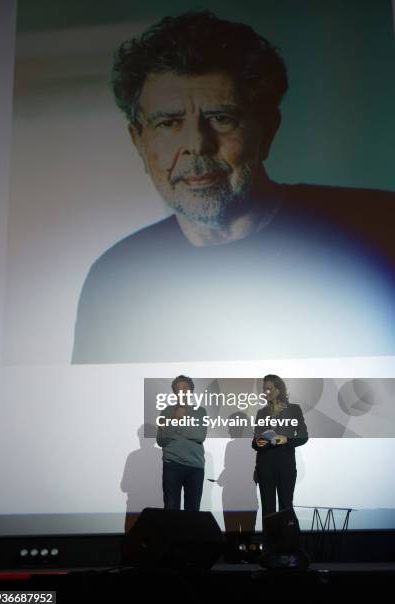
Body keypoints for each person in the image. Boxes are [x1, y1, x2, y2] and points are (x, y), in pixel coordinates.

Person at [72, 11, 395, 364]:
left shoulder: (381, 227)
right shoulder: (115, 280)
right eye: (168, 123)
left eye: (221, 119)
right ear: (139, 142)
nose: (197, 145)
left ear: (267, 130)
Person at [252, 374, 308, 521]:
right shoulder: (262, 413)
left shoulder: (294, 409)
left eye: (269, 389)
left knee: (286, 509)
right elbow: (254, 443)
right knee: (268, 511)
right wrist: (260, 441)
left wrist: (286, 439)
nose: (266, 392)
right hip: (265, 467)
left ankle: (289, 544)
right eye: (264, 389)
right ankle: (270, 544)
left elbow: (303, 436)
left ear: (279, 390)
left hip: (286, 467)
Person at [156, 375, 207, 510]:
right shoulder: (166, 411)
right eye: (179, 388)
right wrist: (174, 418)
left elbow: (199, 436)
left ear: (191, 391)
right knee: (171, 510)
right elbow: (161, 440)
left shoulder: (200, 412)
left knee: (193, 511)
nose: (182, 391)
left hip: (195, 467)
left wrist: (173, 425)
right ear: (174, 392)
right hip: (172, 465)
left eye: (185, 388)